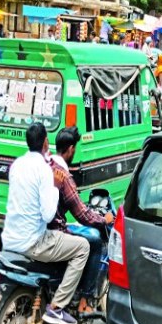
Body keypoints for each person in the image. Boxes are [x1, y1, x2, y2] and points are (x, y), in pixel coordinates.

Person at [1, 123, 89, 324]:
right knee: (83, 247)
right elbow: (48, 214)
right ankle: (57, 308)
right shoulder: (44, 170)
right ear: (46, 142)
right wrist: (56, 187)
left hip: (9, 239)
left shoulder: (17, 164)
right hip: (34, 241)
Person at [48, 127, 114, 314]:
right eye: (74, 149)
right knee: (94, 242)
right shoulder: (64, 176)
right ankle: (85, 299)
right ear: (70, 149)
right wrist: (104, 220)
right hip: (53, 233)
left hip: (37, 229)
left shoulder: (45, 165)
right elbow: (83, 216)